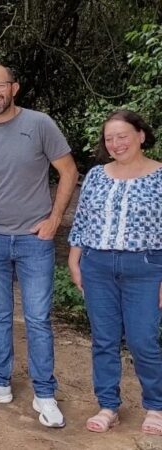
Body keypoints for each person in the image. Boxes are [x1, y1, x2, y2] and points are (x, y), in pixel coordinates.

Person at [0, 64, 78, 428]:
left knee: (38, 318)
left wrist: (54, 219)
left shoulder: (40, 123)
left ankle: (45, 393)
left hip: (34, 240)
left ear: (15, 87)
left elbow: (69, 172)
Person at [68, 110, 162, 435]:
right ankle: (108, 405)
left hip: (146, 268)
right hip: (97, 265)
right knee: (104, 340)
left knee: (143, 340)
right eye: (109, 138)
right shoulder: (96, 175)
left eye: (122, 136)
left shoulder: (160, 175)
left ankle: (156, 405)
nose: (116, 143)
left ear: (140, 135)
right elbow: (82, 220)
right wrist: (74, 259)